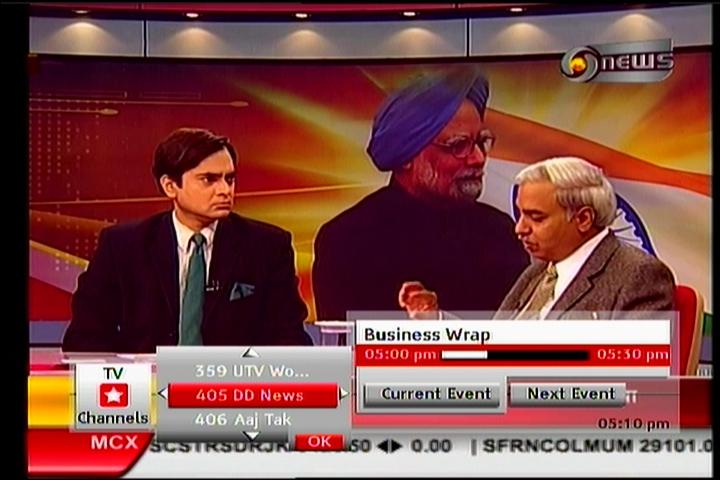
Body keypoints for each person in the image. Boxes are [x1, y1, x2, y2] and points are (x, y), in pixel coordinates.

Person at [62, 127, 312, 352]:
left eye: (229, 179)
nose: (225, 190)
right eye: (209, 179)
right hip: (149, 383)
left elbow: (289, 338)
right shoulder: (123, 246)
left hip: (232, 384)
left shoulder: (267, 246)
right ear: (170, 186)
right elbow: (85, 337)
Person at [313, 66, 529, 323]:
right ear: (406, 155)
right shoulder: (348, 240)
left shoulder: (501, 232)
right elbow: (351, 343)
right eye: (458, 145)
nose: (478, 158)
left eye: (481, 143)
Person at [402, 156, 676, 319]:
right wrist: (436, 320)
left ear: (583, 219)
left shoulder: (639, 276)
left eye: (536, 217)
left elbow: (635, 376)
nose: (519, 229)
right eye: (521, 215)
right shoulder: (537, 273)